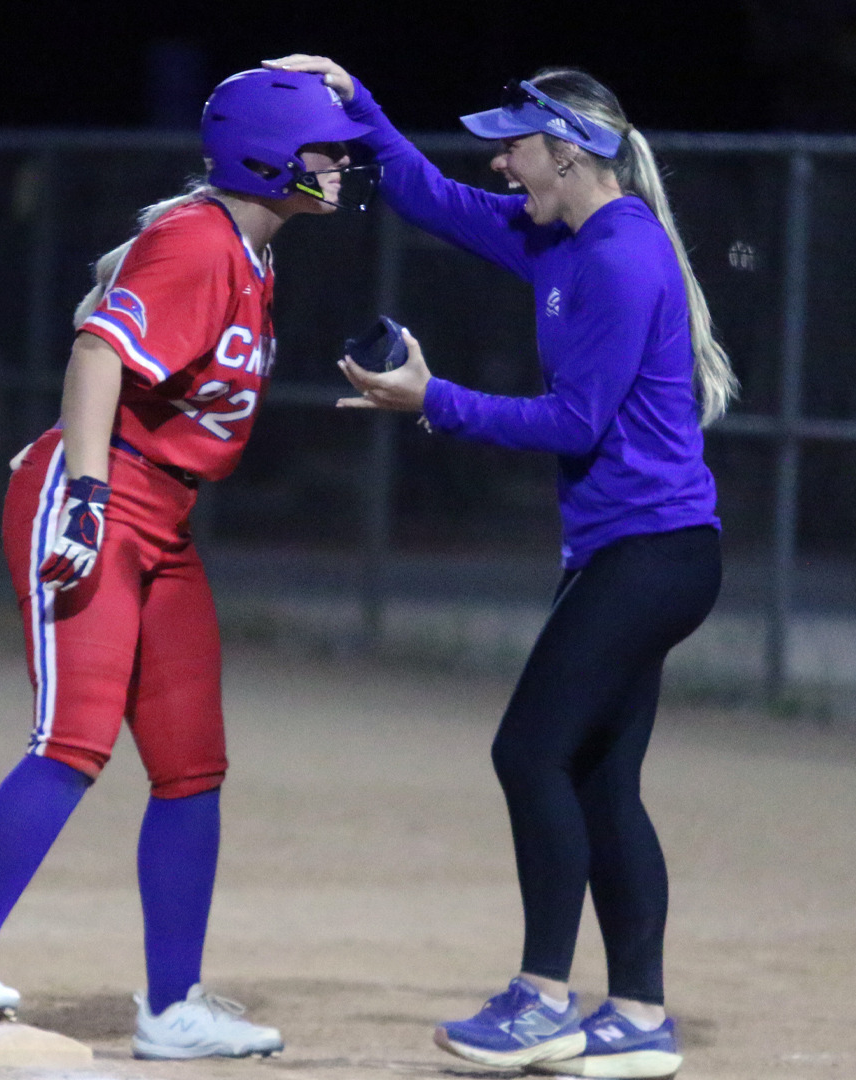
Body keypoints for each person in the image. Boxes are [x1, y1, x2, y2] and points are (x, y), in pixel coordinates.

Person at [265, 55, 734, 1079]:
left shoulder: (618, 257)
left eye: (518, 143)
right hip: (633, 551)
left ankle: (542, 1000)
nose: (501, 158)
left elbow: (574, 420)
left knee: (529, 755)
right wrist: (360, 103)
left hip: (654, 556)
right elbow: (431, 195)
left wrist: (427, 399)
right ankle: (642, 1018)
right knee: (603, 779)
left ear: (568, 154)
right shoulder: (559, 234)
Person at [0, 68, 377, 1061]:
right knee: (73, 740)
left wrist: (316, 74)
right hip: (96, 495)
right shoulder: (201, 240)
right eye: (321, 146)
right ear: (266, 156)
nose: (338, 163)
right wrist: (80, 492)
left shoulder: (248, 249)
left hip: (162, 517)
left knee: (191, 763)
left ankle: (173, 1009)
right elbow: (96, 354)